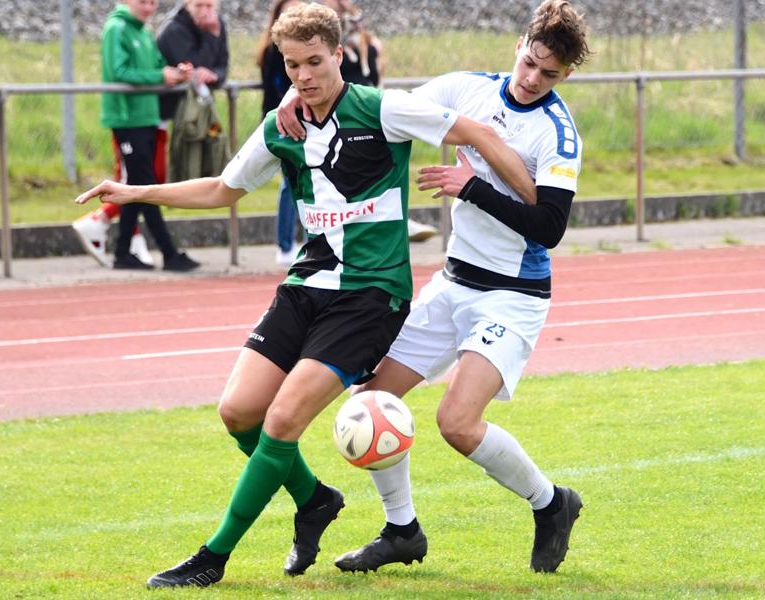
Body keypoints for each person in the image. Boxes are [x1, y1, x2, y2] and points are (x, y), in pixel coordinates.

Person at [73, 3, 536, 588]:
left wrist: (531, 199)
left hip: (370, 295)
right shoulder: (281, 125)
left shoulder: (382, 109)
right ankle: (315, 499)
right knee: (238, 413)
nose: (304, 76)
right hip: (305, 285)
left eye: (315, 62)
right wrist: (132, 190)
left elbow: (475, 131)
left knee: (284, 419)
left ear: (338, 56)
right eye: (292, 65)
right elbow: (222, 189)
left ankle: (212, 558)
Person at [279, 0, 592, 575]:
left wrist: (470, 187)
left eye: (548, 74)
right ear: (519, 45)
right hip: (450, 286)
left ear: (566, 75)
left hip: (512, 296)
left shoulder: (558, 134)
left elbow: (550, 226)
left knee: (457, 422)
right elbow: (376, 108)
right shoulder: (465, 88)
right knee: (370, 401)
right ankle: (402, 530)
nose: (531, 79)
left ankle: (552, 504)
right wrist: (296, 95)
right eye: (529, 62)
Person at [72, 0, 200, 272]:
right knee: (143, 182)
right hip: (126, 117)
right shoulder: (116, 29)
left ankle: (124, 252)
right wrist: (159, 75)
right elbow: (119, 72)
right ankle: (167, 252)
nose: (149, 7)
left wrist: (176, 73)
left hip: (146, 115)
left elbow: (155, 65)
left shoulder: (143, 30)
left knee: (139, 185)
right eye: (143, 1)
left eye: (153, 2)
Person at [321, 0, 439, 243]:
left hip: (368, 111)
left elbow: (373, 75)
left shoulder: (360, 29)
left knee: (381, 167)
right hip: (339, 114)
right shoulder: (323, 26)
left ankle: (395, 222)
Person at [255, 0, 305, 264]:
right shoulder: (275, 50)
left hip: (305, 121)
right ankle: (285, 245)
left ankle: (310, 242)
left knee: (306, 181)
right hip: (285, 122)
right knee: (290, 183)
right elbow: (277, 86)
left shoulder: (306, 46)